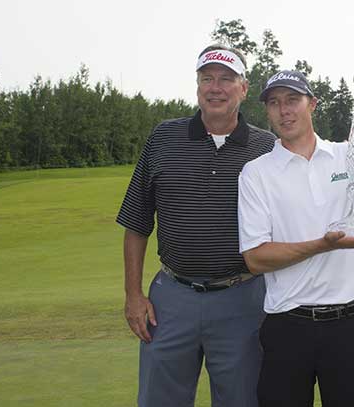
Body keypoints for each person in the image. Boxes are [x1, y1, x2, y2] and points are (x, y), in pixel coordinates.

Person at [238, 70, 354, 407]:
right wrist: (324, 245)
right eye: (275, 103)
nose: (284, 110)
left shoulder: (350, 157)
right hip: (287, 328)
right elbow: (256, 258)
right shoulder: (256, 173)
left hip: (350, 327)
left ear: (313, 105)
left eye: (293, 100)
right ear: (267, 111)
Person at [116, 45, 276, 407]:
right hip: (172, 298)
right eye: (207, 79)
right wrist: (133, 295)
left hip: (243, 299)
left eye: (225, 79)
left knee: (242, 400)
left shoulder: (266, 147)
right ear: (197, 85)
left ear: (243, 88)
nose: (215, 87)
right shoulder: (163, 138)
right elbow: (136, 223)